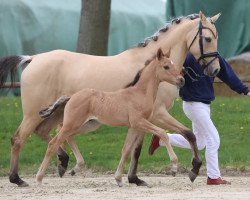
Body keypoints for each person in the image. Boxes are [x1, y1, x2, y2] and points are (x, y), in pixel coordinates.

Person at [148, 52, 250, 185]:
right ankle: (213, 177)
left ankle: (162, 139)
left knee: (200, 143)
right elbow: (170, 70)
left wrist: (245, 90)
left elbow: (227, 74)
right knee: (213, 138)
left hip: (204, 105)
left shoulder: (215, 57)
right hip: (193, 105)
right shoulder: (187, 57)